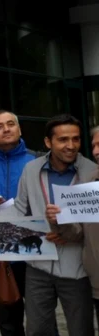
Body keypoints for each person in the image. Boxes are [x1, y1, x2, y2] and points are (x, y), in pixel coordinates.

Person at [17, 114, 94, 336]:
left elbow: (93, 226)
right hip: (38, 266)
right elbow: (20, 210)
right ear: (48, 142)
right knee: (37, 330)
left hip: (77, 269)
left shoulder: (91, 173)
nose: (71, 146)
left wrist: (69, 233)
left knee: (81, 330)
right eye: (63, 140)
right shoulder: (31, 170)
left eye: (76, 139)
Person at [0, 110, 40, 336]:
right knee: (8, 323)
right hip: (3, 254)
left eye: (11, 124)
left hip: (36, 251)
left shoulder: (38, 159)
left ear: (19, 129)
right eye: (0, 127)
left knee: (41, 320)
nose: (6, 129)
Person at [81, 125, 99, 327]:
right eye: (93, 145)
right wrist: (57, 221)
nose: (95, 151)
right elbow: (79, 231)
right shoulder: (88, 183)